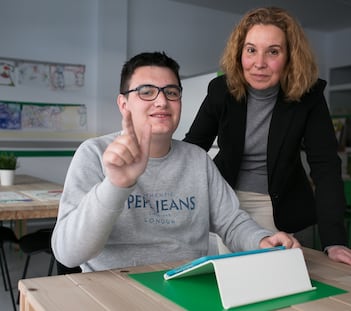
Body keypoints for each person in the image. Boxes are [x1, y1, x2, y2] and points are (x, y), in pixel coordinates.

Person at [51, 51, 300, 272]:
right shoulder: (94, 153)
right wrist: (115, 184)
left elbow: (232, 222)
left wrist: (261, 240)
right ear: (123, 103)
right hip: (114, 291)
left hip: (186, 286)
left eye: (171, 92)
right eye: (146, 92)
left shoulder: (197, 159)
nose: (162, 101)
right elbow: (68, 254)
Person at [183, 7, 351, 269]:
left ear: (290, 56)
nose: (259, 63)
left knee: (282, 285)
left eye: (273, 51)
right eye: (251, 50)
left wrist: (334, 240)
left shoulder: (309, 96)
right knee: (236, 282)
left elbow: (325, 165)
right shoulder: (221, 90)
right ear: (239, 52)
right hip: (226, 203)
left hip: (280, 206)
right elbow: (193, 149)